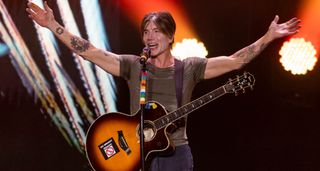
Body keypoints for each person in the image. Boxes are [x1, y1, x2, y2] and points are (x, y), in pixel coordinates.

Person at [26, 1, 300, 171]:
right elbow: (91, 52)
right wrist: (53, 25)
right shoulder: (135, 65)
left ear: (170, 36)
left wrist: (267, 37)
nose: (149, 36)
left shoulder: (189, 67)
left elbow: (235, 61)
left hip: (175, 154)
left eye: (156, 30)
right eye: (146, 31)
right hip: (134, 154)